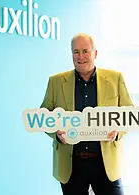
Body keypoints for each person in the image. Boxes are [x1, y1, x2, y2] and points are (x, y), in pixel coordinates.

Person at [40, 33, 133, 195]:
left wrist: (118, 132)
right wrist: (56, 133)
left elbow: (129, 114)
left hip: (106, 163)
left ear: (95, 54)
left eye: (85, 51)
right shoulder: (56, 81)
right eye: (76, 52)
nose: (80, 56)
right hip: (71, 164)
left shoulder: (115, 78)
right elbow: (43, 116)